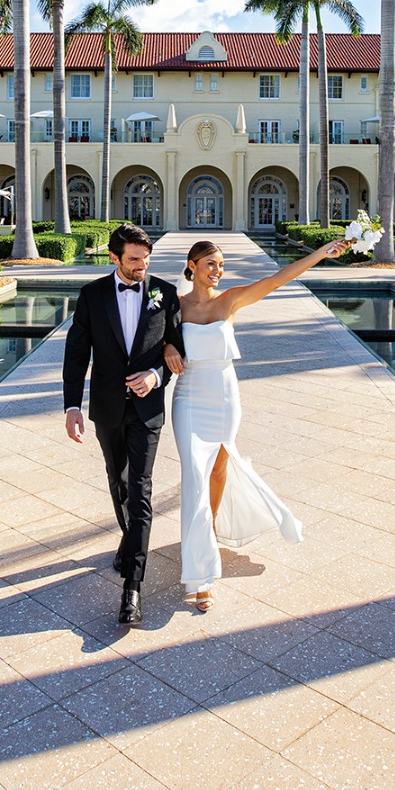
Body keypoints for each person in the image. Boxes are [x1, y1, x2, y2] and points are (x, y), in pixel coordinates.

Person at [163, 236, 351, 612]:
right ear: (193, 265)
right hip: (188, 396)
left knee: (219, 470)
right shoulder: (175, 305)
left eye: (221, 264)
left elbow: (280, 278)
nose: (217, 270)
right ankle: (201, 576)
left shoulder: (230, 300)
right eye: (211, 264)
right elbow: (153, 334)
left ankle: (209, 529)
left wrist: (321, 253)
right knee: (194, 477)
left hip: (224, 394)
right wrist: (168, 346)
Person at [62, 222, 183, 627]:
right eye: (133, 259)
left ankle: (132, 587)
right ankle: (130, 540)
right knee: (118, 481)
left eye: (146, 258)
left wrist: (157, 376)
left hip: (148, 412)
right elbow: (77, 354)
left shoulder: (164, 294)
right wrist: (71, 406)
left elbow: (178, 347)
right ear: (114, 257)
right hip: (107, 408)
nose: (141, 266)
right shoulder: (92, 295)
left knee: (141, 488)